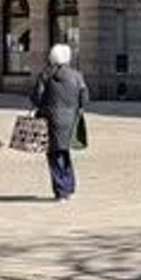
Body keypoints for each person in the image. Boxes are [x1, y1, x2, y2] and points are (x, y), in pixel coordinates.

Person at [31, 42, 89, 202]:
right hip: (70, 119)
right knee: (64, 151)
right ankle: (69, 186)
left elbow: (36, 97)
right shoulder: (77, 75)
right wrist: (77, 108)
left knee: (54, 154)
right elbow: (85, 97)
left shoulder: (45, 74)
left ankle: (61, 190)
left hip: (50, 118)